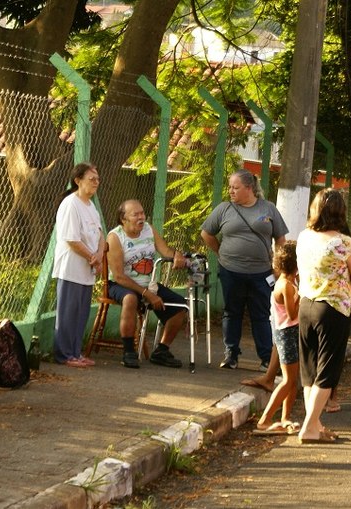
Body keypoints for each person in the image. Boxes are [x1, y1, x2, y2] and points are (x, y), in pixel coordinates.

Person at [295, 189, 351, 443]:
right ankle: (309, 427)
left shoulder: (304, 237)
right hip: (332, 309)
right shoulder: (343, 242)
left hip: (305, 306)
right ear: (340, 212)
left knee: (310, 370)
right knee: (327, 371)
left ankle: (315, 425)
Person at [200, 170, 288, 370]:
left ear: (249, 188)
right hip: (231, 270)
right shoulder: (224, 209)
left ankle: (266, 358)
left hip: (262, 273)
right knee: (232, 312)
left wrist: (278, 267)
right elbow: (206, 233)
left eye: (235, 187)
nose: (231, 191)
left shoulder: (268, 209)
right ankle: (231, 354)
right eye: (230, 187)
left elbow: (280, 239)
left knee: (260, 313)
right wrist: (220, 252)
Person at [107, 199, 188, 369]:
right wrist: (148, 294)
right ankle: (129, 352)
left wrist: (177, 255)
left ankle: (162, 350)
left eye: (142, 213)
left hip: (148, 284)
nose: (141, 217)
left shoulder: (149, 229)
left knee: (181, 307)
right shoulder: (115, 237)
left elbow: (165, 250)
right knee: (130, 300)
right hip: (121, 285)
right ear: (123, 219)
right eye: (135, 214)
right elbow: (119, 276)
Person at [52, 162, 105, 368]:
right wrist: (92, 256)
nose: (96, 183)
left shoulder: (91, 206)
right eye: (91, 179)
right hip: (71, 268)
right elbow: (71, 239)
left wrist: (99, 255)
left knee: (81, 313)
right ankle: (64, 354)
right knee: (68, 312)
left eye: (97, 179)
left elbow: (100, 234)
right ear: (78, 181)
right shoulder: (70, 204)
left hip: (87, 268)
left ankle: (76, 352)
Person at [254, 241, 301, 435]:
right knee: (288, 380)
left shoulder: (289, 282)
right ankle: (265, 420)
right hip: (288, 333)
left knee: (293, 380)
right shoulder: (286, 286)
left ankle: (285, 418)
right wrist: (304, 297)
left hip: (290, 333)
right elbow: (292, 314)